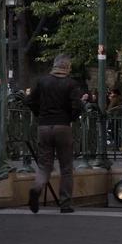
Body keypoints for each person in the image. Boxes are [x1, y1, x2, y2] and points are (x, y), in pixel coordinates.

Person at [25, 54, 87, 214]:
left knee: (44, 164)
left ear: (54, 66)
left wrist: (40, 114)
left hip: (44, 126)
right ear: (66, 67)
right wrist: (70, 118)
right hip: (63, 126)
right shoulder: (71, 84)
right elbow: (77, 106)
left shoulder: (42, 81)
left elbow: (30, 101)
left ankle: (37, 188)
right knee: (66, 167)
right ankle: (65, 204)